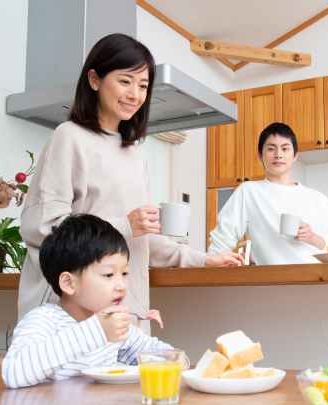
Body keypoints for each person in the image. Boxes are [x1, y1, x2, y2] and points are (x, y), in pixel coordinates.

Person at [18, 34, 241, 324]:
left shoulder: (134, 152)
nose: (135, 94)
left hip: (125, 311)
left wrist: (202, 259)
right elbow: (42, 227)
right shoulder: (69, 137)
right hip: (73, 314)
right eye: (125, 81)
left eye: (144, 85)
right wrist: (126, 225)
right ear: (95, 80)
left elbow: (140, 240)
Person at [3, 214, 177, 388]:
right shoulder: (44, 320)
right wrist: (97, 330)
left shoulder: (111, 324)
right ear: (69, 283)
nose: (122, 286)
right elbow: (14, 373)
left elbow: (159, 354)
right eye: (108, 275)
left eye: (124, 274)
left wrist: (175, 359)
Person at [208, 122, 328, 264]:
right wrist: (212, 264)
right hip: (272, 280)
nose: (278, 155)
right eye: (271, 149)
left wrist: (313, 237)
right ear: (260, 155)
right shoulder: (249, 192)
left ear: (295, 155)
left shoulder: (318, 199)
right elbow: (222, 239)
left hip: (316, 278)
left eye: (285, 149)